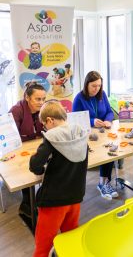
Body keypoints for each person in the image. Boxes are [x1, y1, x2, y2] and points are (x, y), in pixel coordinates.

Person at [29, 101, 88, 257]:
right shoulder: (81, 132)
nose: (45, 128)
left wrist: (40, 168)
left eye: (44, 125)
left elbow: (35, 165)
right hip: (75, 196)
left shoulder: (52, 137)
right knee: (70, 237)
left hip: (54, 200)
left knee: (43, 244)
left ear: (50, 120)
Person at [72, 70, 118, 200]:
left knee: (108, 152)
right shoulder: (79, 98)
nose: (96, 89)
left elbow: (109, 111)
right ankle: (103, 183)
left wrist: (108, 120)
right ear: (87, 84)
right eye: (93, 86)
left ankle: (104, 183)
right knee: (102, 154)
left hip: (103, 133)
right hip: (88, 136)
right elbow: (75, 120)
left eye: (99, 86)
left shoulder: (102, 94)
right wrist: (92, 121)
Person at [9, 82, 46, 217]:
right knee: (26, 170)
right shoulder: (16, 111)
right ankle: (26, 205)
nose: (41, 102)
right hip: (17, 149)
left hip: (35, 146)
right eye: (37, 99)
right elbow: (10, 138)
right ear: (27, 97)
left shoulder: (43, 109)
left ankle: (40, 199)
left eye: (43, 99)